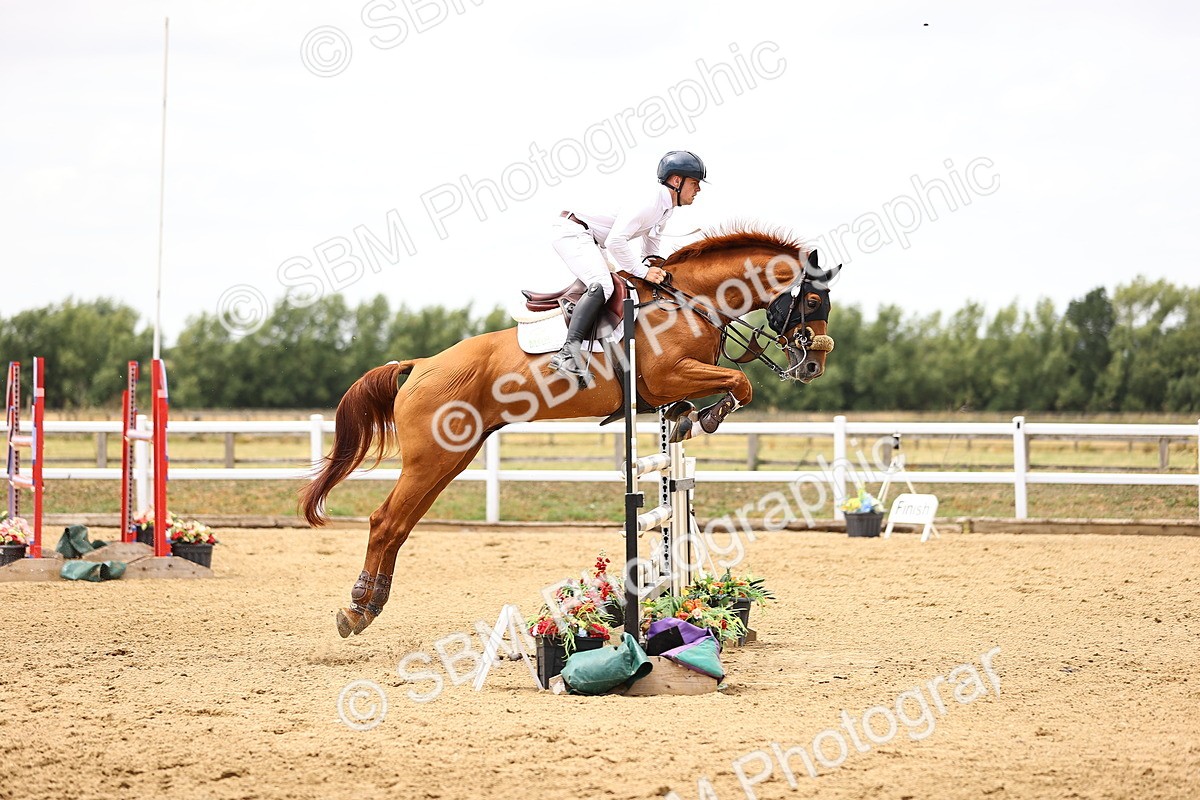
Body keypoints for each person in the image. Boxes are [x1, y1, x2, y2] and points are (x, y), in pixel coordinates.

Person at [548, 150, 706, 385]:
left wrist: (658, 268)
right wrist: (642, 272)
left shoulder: (665, 208)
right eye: (694, 183)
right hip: (573, 231)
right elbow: (615, 242)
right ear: (676, 181)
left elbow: (650, 247)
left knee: (622, 284)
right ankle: (567, 354)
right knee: (603, 285)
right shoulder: (651, 202)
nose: (698, 190)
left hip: (590, 239)